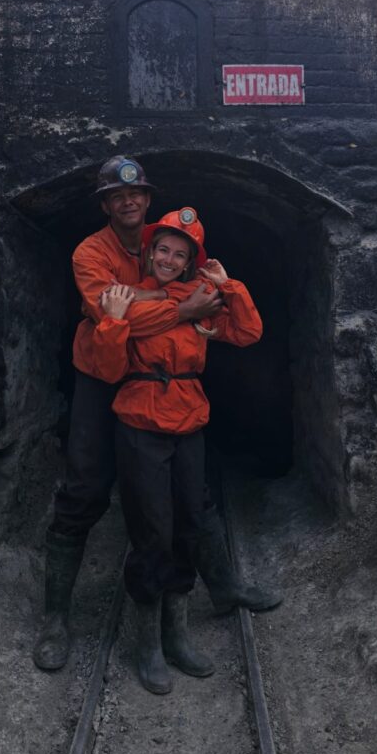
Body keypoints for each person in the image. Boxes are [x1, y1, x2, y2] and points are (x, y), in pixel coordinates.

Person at [33, 156, 282, 671]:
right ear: (105, 204)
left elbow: (177, 295)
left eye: (137, 194)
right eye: (118, 196)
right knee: (84, 489)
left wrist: (163, 301)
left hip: (154, 379)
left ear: (147, 199)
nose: (129, 201)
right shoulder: (90, 251)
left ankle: (223, 585)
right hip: (101, 375)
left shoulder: (160, 240)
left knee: (193, 495)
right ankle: (56, 616)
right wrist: (181, 309)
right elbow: (108, 314)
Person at [92, 207, 265, 693]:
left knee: (189, 523)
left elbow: (248, 332)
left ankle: (178, 635)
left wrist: (227, 285)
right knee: (152, 532)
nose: (169, 259)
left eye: (180, 254)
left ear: (191, 262)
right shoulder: (129, 298)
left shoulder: (201, 297)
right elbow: (107, 368)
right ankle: (147, 645)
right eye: (163, 250)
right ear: (150, 252)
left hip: (189, 422)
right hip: (140, 424)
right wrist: (114, 321)